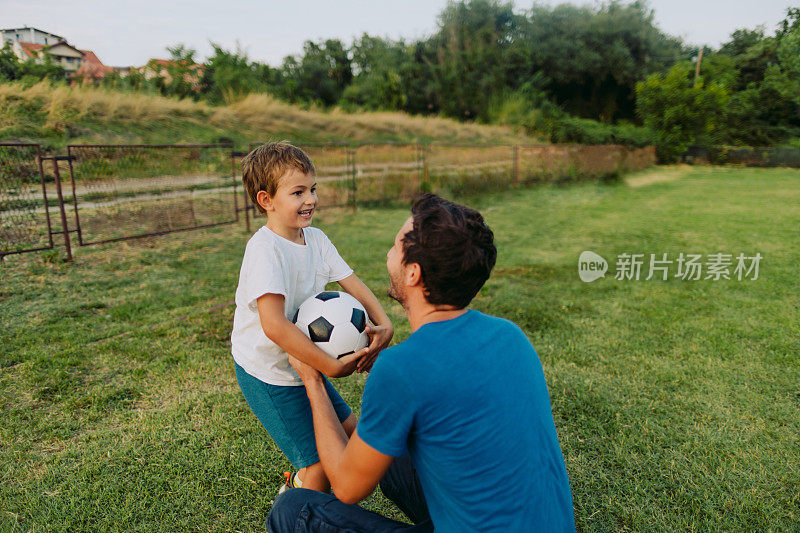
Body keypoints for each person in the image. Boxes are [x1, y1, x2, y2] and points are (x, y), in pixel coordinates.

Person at [267, 194, 575, 532]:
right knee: (394, 463)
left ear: (412, 273)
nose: (390, 251)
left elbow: (346, 486)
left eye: (397, 244)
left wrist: (313, 381)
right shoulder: (510, 335)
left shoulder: (402, 369)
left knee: (291, 510)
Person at [231, 142, 393, 494]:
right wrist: (331, 367)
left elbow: (353, 284)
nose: (311, 199)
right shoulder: (265, 251)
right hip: (268, 372)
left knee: (353, 433)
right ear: (266, 201)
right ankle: (292, 504)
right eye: (298, 192)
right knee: (317, 469)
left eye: (313, 189)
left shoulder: (316, 240)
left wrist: (385, 323)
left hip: (304, 364)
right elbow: (274, 325)